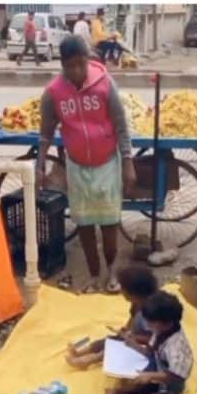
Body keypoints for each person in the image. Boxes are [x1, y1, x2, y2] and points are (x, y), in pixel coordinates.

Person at [37, 36, 136, 294]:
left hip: (107, 163)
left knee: (109, 222)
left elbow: (121, 126)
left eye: (81, 64)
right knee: (84, 223)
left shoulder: (105, 83)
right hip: (77, 166)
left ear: (88, 59)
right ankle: (93, 275)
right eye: (71, 66)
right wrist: (39, 165)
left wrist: (128, 161)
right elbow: (46, 134)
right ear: (63, 64)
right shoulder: (53, 93)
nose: (77, 71)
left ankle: (111, 272)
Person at [65, 266, 158, 368]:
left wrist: (134, 337)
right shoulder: (137, 303)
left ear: (133, 293)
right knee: (108, 340)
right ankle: (82, 351)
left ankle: (87, 361)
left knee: (115, 347)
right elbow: (132, 316)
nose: (121, 291)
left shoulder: (150, 313)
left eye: (123, 288)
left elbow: (154, 338)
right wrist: (126, 329)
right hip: (133, 335)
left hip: (146, 345)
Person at [121, 291, 194, 394]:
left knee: (135, 387)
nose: (147, 325)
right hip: (158, 365)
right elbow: (150, 351)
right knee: (129, 374)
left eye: (151, 322)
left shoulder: (177, 347)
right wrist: (133, 345)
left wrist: (150, 376)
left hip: (169, 383)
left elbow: (176, 376)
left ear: (167, 323)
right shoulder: (159, 330)